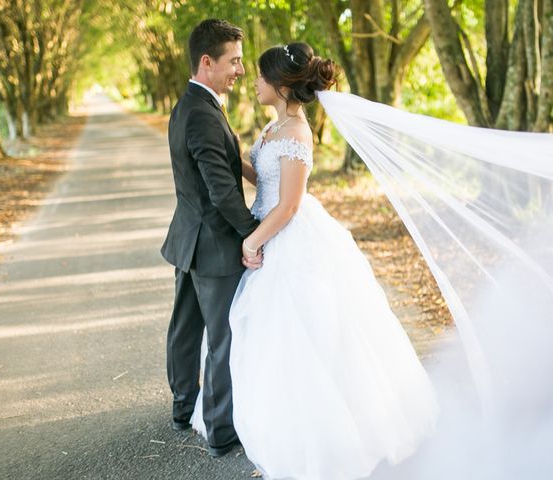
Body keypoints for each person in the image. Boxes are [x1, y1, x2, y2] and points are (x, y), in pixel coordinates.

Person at [190, 42, 440, 479]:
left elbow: (288, 205)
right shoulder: (274, 126)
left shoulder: (298, 133)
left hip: (289, 237)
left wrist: (252, 243)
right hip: (269, 225)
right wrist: (232, 158)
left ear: (282, 85)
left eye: (261, 76)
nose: (253, 81)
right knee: (263, 332)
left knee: (305, 334)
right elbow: (262, 175)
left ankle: (323, 432)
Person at [160, 18, 262, 458]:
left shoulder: (188, 104)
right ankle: (220, 429)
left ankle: (184, 406)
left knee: (185, 329)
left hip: (189, 238)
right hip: (214, 245)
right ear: (207, 62)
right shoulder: (202, 114)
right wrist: (254, 234)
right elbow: (220, 189)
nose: (239, 69)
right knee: (222, 338)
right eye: (234, 61)